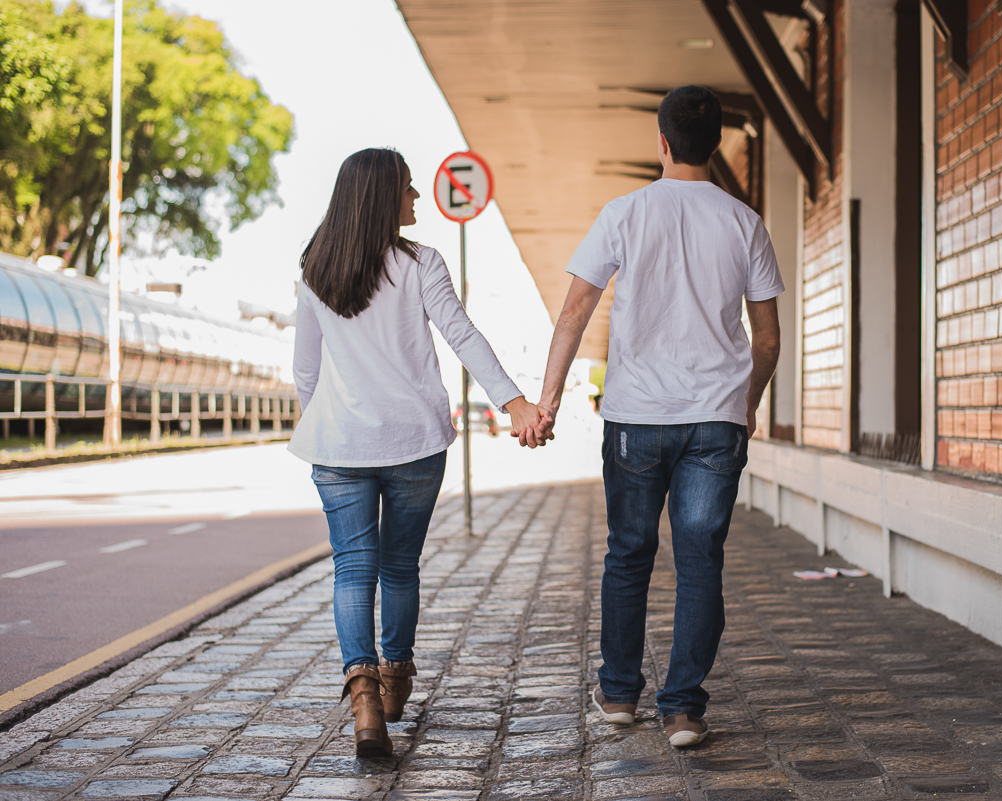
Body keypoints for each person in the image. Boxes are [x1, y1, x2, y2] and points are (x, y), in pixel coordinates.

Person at [523, 86, 783, 748]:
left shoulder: (624, 213)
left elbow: (576, 308)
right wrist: (745, 404)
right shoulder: (745, 221)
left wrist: (548, 401)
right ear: (718, 143)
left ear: (661, 143)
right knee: (700, 559)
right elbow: (769, 338)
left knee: (628, 552)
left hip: (637, 417)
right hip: (716, 421)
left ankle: (617, 695)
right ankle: (683, 710)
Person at [289, 147, 544, 757]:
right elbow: (461, 334)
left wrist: (327, 424)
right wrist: (514, 405)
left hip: (339, 446)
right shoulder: (421, 263)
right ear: (381, 196)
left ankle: (364, 699)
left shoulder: (313, 270)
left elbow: (306, 371)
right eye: (407, 188)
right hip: (413, 443)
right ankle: (396, 677)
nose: (416, 198)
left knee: (353, 568)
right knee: (399, 566)